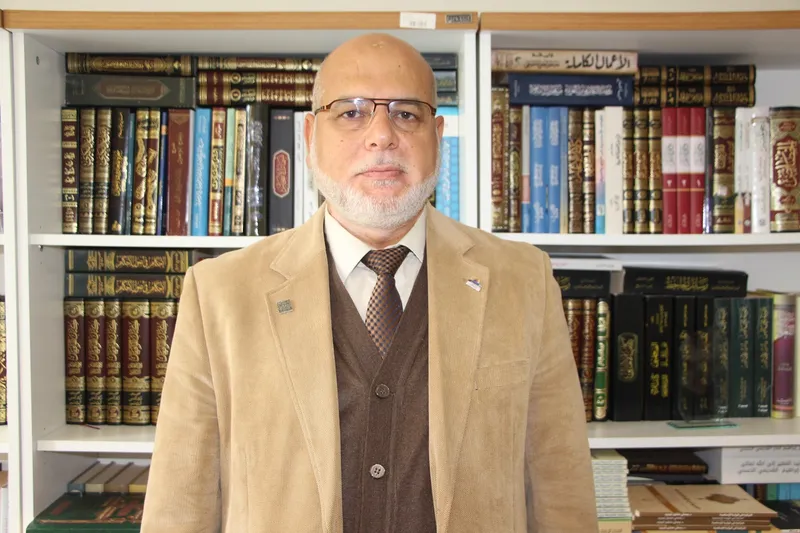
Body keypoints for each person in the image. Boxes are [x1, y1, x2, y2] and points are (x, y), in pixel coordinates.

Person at [140, 33, 598, 533]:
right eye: (351, 112)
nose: (381, 135)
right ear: (310, 136)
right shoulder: (219, 294)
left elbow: (561, 488)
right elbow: (179, 506)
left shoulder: (524, 282)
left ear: (437, 136)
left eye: (406, 113)